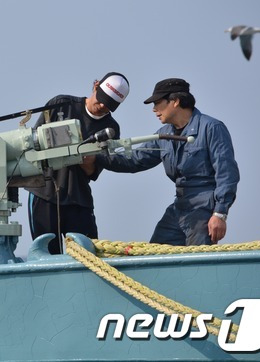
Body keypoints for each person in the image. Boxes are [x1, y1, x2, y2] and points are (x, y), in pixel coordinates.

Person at [97, 78, 240, 246]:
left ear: (176, 101)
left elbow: (227, 174)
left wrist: (219, 214)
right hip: (178, 208)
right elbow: (135, 160)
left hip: (204, 210)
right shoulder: (163, 135)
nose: (154, 109)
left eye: (158, 103)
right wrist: (96, 156)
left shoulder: (212, 128)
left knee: (197, 265)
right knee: (154, 256)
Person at [26, 72, 130, 254]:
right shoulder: (61, 104)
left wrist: (86, 157)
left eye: (110, 105)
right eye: (102, 98)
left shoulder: (111, 129)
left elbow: (93, 172)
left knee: (88, 254)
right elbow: (33, 143)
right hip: (44, 193)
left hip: (78, 197)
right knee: (46, 253)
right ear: (95, 86)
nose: (103, 105)